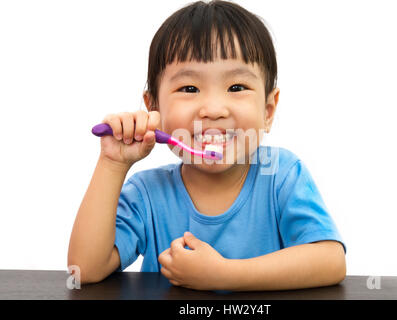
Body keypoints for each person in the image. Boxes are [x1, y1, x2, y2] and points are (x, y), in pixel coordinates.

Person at [68, 0, 346, 291]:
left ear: (268, 110)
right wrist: (113, 163)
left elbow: (331, 260)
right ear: (154, 110)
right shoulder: (147, 193)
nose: (213, 109)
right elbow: (83, 270)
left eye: (236, 87)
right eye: (189, 88)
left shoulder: (281, 174)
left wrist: (224, 274)